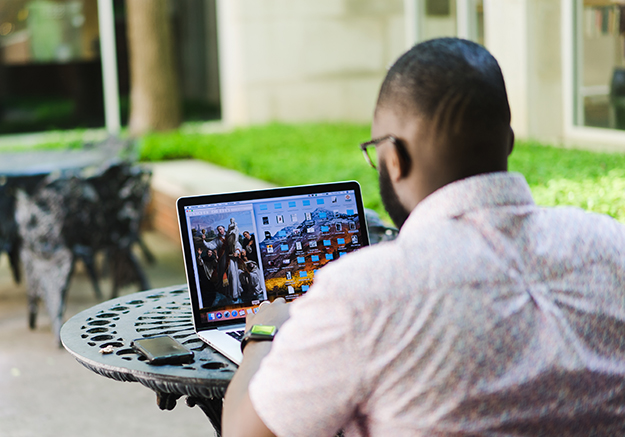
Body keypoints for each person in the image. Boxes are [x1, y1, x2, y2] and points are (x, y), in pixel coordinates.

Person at [222, 38, 625, 437]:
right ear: (509, 143)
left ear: (394, 159)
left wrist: (264, 334)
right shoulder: (611, 243)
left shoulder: (366, 291)